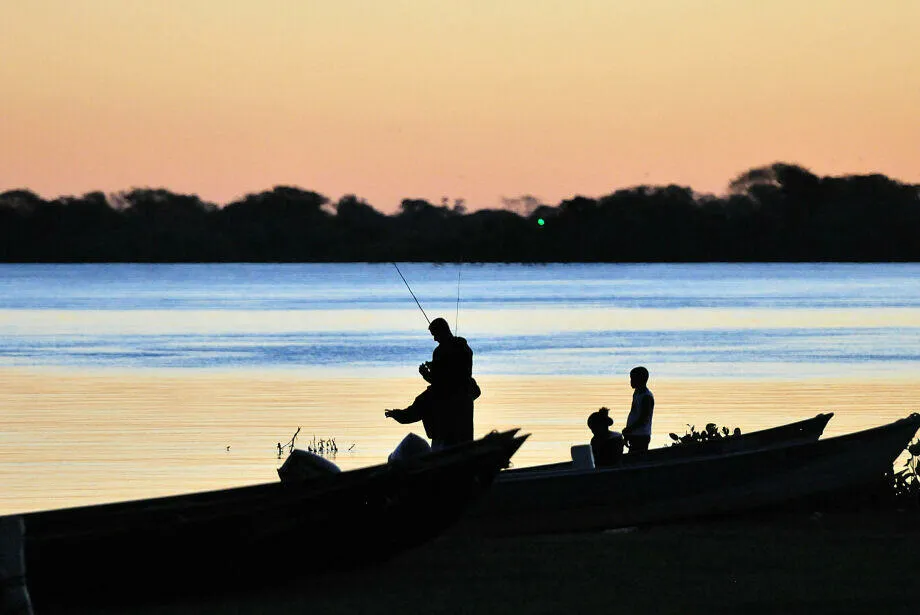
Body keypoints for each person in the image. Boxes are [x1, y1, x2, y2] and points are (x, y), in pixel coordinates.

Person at [385, 317, 479, 449]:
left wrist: (426, 374)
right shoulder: (465, 349)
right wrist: (436, 368)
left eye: (435, 335)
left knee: (444, 450)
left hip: (445, 420)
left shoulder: (440, 352)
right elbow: (454, 374)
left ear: (443, 331)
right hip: (464, 412)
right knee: (465, 447)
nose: (435, 339)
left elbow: (441, 383)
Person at [622, 366, 654, 453]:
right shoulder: (636, 393)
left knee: (637, 458)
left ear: (640, 380)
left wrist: (629, 429)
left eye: (633, 379)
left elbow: (644, 418)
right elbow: (634, 413)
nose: (630, 381)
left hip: (641, 435)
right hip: (634, 434)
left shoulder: (646, 396)